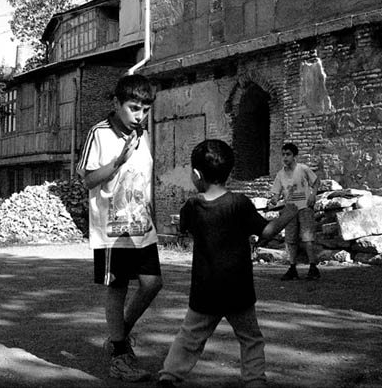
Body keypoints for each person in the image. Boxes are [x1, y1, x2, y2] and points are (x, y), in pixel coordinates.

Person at [157, 139, 298, 388]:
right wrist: (290, 210)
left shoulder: (191, 207)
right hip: (238, 289)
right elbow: (266, 231)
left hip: (204, 289)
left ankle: (169, 375)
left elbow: (187, 229)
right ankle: (255, 381)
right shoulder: (239, 203)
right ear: (229, 173)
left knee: (189, 337)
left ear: (197, 174)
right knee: (251, 339)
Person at [77, 74, 162, 383]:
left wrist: (152, 209)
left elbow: (145, 176)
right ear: (117, 103)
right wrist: (117, 161)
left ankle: (117, 338)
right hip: (112, 228)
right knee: (118, 288)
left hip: (141, 224)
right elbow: (87, 180)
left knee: (152, 284)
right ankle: (119, 356)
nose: (139, 115)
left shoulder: (145, 134)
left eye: (145, 109)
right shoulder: (99, 134)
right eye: (133, 108)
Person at [269, 142, 321, 281]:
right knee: (290, 239)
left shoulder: (303, 169)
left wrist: (313, 195)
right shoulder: (280, 174)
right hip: (290, 210)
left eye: (288, 154)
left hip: (304, 207)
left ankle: (313, 267)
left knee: (307, 238)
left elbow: (316, 182)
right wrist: (273, 200)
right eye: (283, 155)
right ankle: (292, 268)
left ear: (294, 156)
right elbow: (276, 193)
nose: (285, 157)